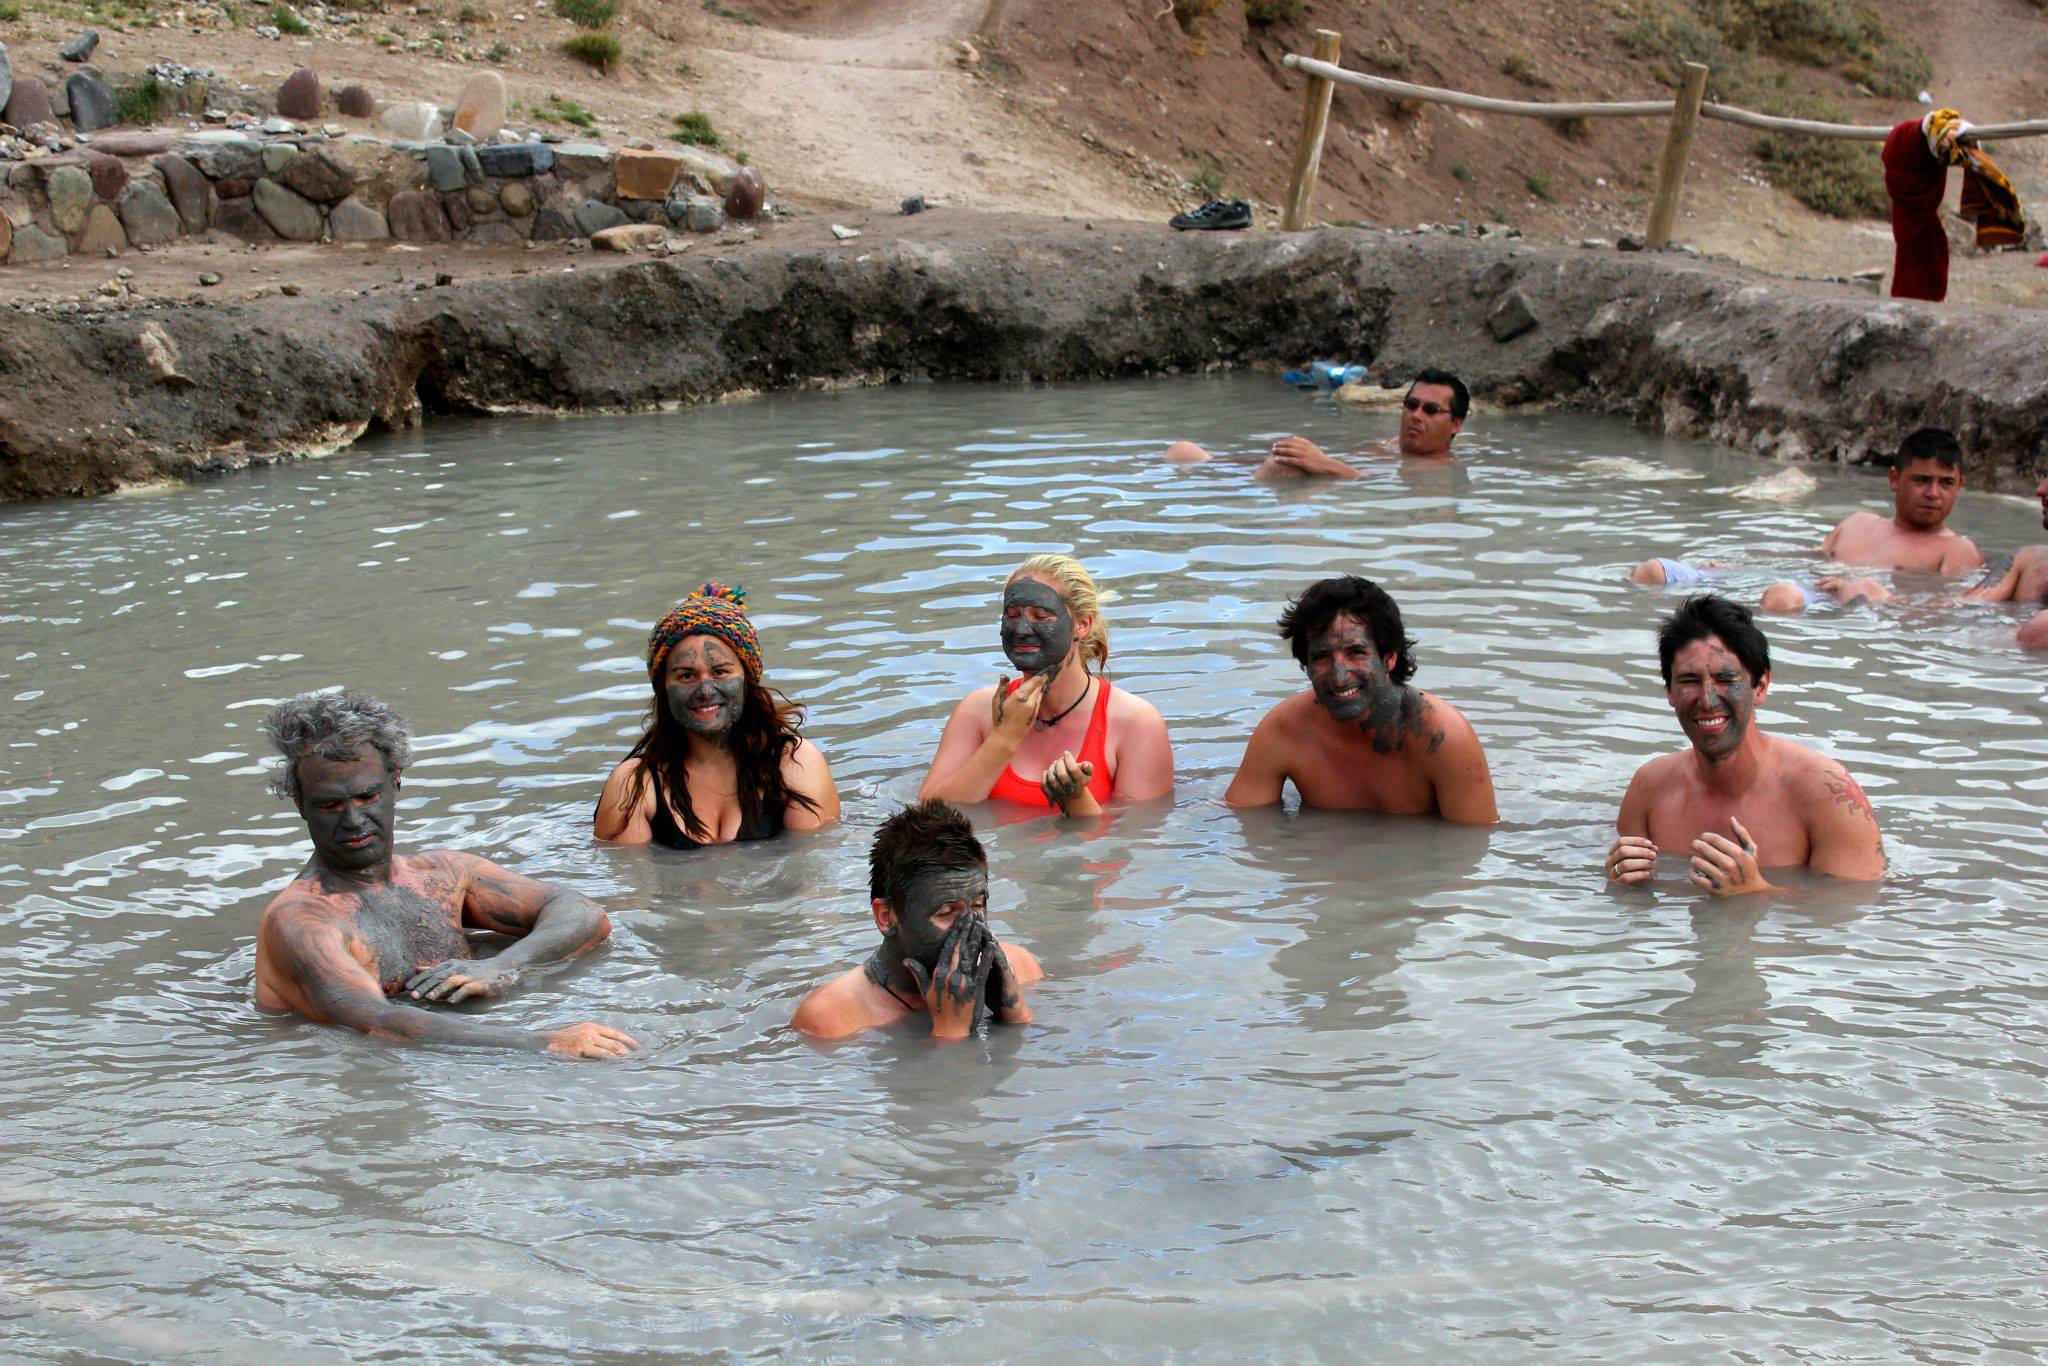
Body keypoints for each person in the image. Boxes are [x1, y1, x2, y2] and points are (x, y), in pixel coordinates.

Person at [253, 690, 638, 1058]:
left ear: (395, 780)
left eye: (367, 796)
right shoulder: (302, 922)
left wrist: (502, 967)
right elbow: (379, 1022)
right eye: (331, 805)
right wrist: (544, 1044)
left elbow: (584, 914)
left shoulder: (442, 875)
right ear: (302, 804)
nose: (353, 820)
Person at [1604, 595, 1885, 896]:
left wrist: (1757, 891)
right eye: (1689, 680)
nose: (1707, 700)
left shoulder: (1827, 792)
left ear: (1761, 686)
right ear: (1669, 692)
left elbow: (1860, 907)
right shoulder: (1650, 787)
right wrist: (1620, 878)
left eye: (1726, 679)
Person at [1224, 575, 1498, 823]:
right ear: (1306, 665)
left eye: (1355, 652)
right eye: (1321, 657)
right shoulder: (1284, 731)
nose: (1339, 676)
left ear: (1389, 657)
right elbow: (1241, 823)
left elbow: (1472, 854)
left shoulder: (1442, 737)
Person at [919, 554, 1174, 819]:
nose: (1022, 630)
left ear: (1082, 624)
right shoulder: (977, 711)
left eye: (1041, 616)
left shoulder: (1135, 722)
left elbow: (1138, 842)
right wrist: (1004, 739)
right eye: (1012, 615)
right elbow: (928, 821)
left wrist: (1075, 799)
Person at [596, 582, 840, 846]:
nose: (705, 690)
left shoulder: (795, 763)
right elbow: (627, 883)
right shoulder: (633, 786)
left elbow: (814, 875)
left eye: (720, 672)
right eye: (687, 675)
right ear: (662, 687)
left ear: (748, 680)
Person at [791, 800, 1044, 1041]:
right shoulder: (832, 1020)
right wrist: (951, 1034)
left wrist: (1015, 1014)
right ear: (886, 917)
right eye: (946, 912)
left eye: (978, 906)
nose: (970, 928)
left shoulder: (1021, 969)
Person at [1162, 368, 1469, 478]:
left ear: (1455, 424)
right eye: (1411, 405)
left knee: (1281, 469)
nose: (1416, 415)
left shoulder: (1438, 471)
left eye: (1430, 410)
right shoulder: (1395, 446)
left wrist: (1325, 464)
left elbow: (1374, 485)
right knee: (1180, 451)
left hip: (1294, 483)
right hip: (1278, 471)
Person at [1817, 429, 1983, 574]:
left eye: (1946, 483)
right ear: (1895, 479)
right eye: (1922, 480)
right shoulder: (1855, 524)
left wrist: (1870, 593)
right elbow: (1810, 568)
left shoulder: (1957, 550)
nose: (1933, 493)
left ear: (1959, 486)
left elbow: (1952, 606)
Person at [1963, 473, 2048, 648]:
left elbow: (2035, 634)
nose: (2040, 490)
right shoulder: (2026, 559)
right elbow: (1961, 607)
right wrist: (1892, 599)